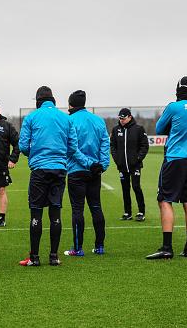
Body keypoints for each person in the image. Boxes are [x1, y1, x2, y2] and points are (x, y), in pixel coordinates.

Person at [18, 86, 79, 267]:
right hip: (59, 170)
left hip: (39, 169)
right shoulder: (65, 118)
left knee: (36, 213)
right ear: (53, 100)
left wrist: (35, 155)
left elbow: (22, 146)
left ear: (38, 101)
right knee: (55, 213)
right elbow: (73, 147)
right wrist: (59, 157)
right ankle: (54, 256)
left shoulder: (31, 117)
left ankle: (35, 258)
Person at [146, 76, 187, 260]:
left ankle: (167, 247)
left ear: (179, 89)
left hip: (174, 158)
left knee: (164, 200)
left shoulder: (174, 106)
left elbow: (159, 127)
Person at [63, 90, 109, 257]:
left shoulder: (69, 120)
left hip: (77, 170)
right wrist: (101, 165)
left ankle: (78, 248)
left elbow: (72, 148)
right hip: (95, 171)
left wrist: (89, 164)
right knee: (96, 207)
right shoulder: (98, 120)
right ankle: (100, 246)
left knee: (77, 210)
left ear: (70, 104)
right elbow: (105, 144)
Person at [110, 108, 149, 221]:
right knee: (125, 189)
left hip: (135, 165)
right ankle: (128, 212)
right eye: (120, 118)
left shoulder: (139, 129)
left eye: (124, 118)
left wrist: (138, 159)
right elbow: (113, 146)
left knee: (136, 187)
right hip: (122, 166)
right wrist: (117, 159)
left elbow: (144, 146)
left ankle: (141, 212)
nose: (121, 120)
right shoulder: (116, 130)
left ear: (130, 117)